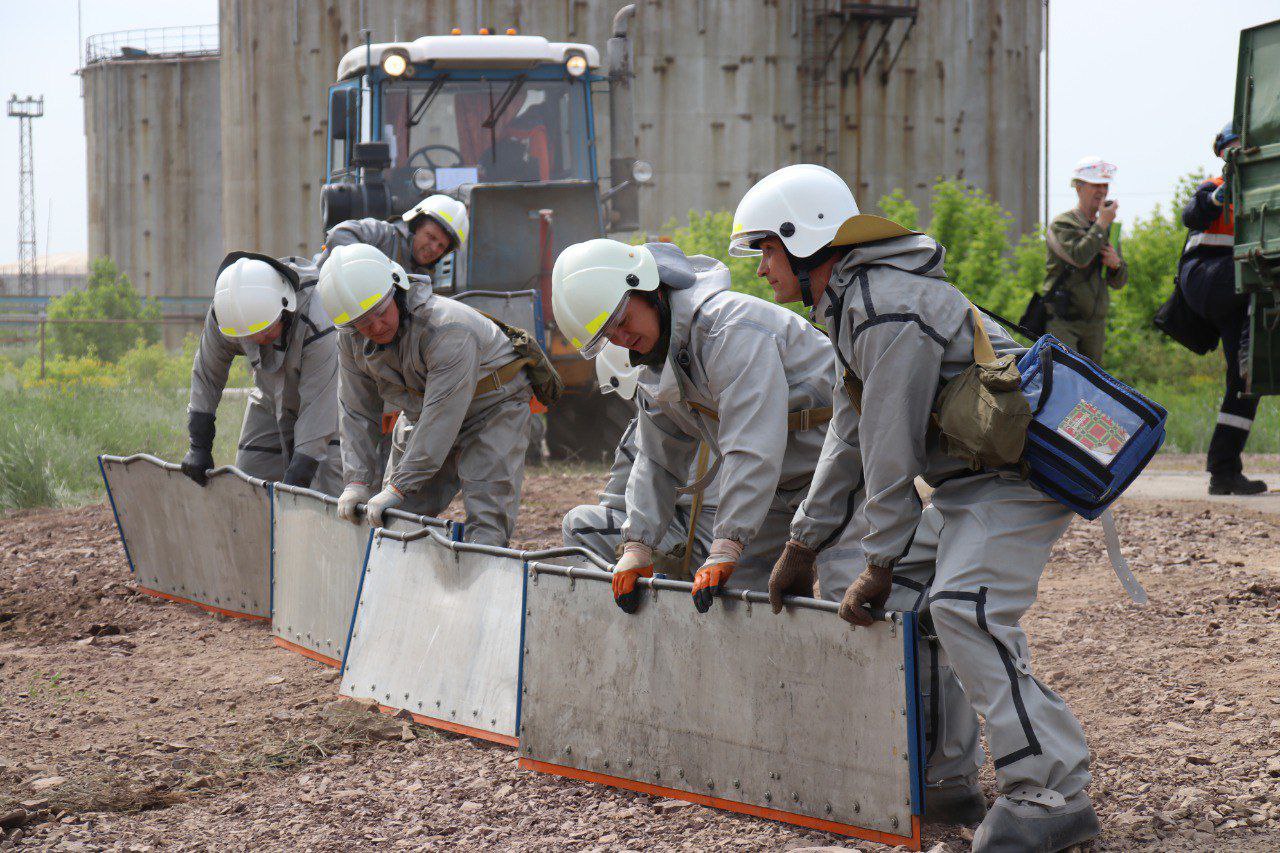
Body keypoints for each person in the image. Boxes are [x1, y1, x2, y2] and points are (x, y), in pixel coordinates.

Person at [730, 164, 1099, 850]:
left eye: (766, 251)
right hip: (974, 482)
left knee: (963, 606)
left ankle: (1053, 791)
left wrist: (874, 555)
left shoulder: (886, 308)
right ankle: (943, 776)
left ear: (802, 238)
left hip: (1025, 474)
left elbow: (889, 449)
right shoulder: (856, 306)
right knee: (904, 596)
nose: (761, 269)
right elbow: (847, 432)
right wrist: (802, 545)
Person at [551, 238, 863, 615]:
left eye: (622, 321)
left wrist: (726, 544)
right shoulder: (658, 363)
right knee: (736, 606)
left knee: (849, 603)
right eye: (609, 336)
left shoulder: (730, 329)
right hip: (776, 492)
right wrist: (637, 545)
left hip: (842, 473)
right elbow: (656, 460)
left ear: (650, 289)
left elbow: (750, 446)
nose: (622, 338)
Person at [317, 243, 533, 545]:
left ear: (395, 290)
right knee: (393, 521)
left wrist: (399, 486)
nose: (376, 327)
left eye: (380, 313)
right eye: (363, 323)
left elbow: (441, 418)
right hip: (424, 409)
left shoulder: (448, 329)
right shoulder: (351, 339)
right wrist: (357, 481)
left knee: (486, 523)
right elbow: (356, 410)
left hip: (493, 407)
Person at [182, 252, 341, 494]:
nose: (258, 340)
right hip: (269, 398)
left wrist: (298, 476)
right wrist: (198, 443)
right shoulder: (227, 314)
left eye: (266, 332)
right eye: (249, 337)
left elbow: (318, 408)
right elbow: (207, 374)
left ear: (285, 306)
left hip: (328, 404)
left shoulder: (318, 319)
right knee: (250, 482)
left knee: (325, 491)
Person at [561, 343, 718, 579]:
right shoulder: (717, 408)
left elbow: (616, 503)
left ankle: (605, 603)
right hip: (739, 549)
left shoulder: (647, 428)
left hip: (695, 554)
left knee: (577, 524)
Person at [1179, 122, 1268, 495]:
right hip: (1207, 275)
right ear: (1223, 155)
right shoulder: (1213, 190)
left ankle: (1224, 470)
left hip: (1238, 289)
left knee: (1244, 385)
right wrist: (1220, 196)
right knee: (1254, 274)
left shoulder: (1266, 193)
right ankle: (1252, 343)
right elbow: (1193, 214)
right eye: (1233, 150)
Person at [1042, 156, 1127, 363]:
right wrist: (1101, 225)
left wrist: (1116, 265)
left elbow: (1118, 282)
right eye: (1095, 185)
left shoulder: (1106, 228)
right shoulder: (1063, 224)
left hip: (1095, 325)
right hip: (1063, 321)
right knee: (1065, 381)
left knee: (1090, 390)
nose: (1102, 191)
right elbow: (1079, 257)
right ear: (1078, 187)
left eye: (1104, 185)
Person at [315, 194, 468, 276]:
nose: (434, 248)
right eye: (431, 237)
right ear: (416, 227)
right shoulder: (383, 234)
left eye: (441, 246)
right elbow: (340, 233)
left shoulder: (423, 278)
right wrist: (368, 272)